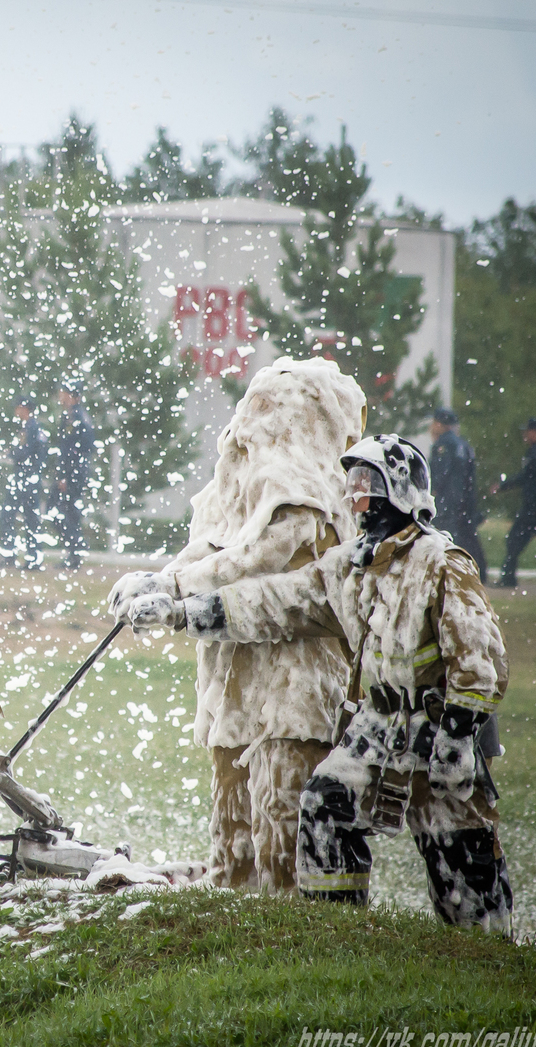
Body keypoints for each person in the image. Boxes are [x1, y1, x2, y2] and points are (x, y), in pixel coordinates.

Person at [123, 434, 512, 933]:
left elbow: (482, 657)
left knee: (460, 853)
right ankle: (336, 935)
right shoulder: (347, 567)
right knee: (326, 803)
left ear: (400, 490)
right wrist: (182, 613)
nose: (355, 496)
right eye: (351, 484)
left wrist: (459, 735)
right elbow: (272, 602)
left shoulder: (440, 563)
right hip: (377, 727)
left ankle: (490, 952)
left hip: (440, 729)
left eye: (367, 484)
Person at [108, 357, 366, 893]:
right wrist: (163, 577)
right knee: (232, 826)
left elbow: (259, 557)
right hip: (235, 689)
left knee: (281, 825)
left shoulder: (309, 499)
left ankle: (282, 934)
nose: (251, 432)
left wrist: (177, 591)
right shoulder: (247, 488)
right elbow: (221, 546)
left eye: (267, 418)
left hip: (293, 695)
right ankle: (234, 911)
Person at [491, 417, 536, 587]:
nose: (526, 434)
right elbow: (526, 477)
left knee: (515, 540)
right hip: (533, 506)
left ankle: (508, 578)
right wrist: (503, 486)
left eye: (529, 430)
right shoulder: (534, 452)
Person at [428, 406, 487, 584]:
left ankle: (447, 571)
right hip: (464, 500)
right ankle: (481, 571)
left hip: (448, 500)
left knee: (447, 536)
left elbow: (441, 473)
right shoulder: (463, 445)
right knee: (468, 536)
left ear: (439, 424)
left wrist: (434, 490)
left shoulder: (443, 445)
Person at [50, 381, 96, 569]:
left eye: (65, 393)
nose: (61, 396)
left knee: (68, 513)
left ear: (74, 396)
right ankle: (75, 550)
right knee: (62, 512)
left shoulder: (77, 418)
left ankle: (75, 554)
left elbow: (76, 451)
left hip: (73, 474)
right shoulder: (70, 416)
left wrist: (67, 477)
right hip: (71, 473)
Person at [0, 395, 47, 569]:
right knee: (27, 518)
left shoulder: (32, 428)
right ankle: (28, 557)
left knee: (15, 516)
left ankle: (19, 556)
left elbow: (30, 454)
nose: (16, 411)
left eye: (18, 407)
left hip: (26, 479)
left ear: (25, 409)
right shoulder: (29, 427)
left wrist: (12, 453)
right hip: (26, 478)